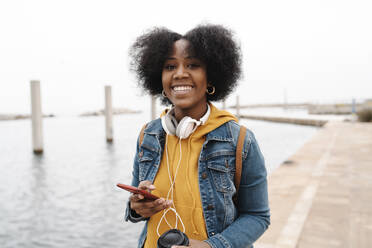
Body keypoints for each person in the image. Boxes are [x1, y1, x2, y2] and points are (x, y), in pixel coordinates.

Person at [125, 24, 270, 248]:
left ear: (210, 77)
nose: (180, 73)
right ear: (159, 77)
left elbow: (258, 216)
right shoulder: (148, 135)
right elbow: (137, 206)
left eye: (193, 65)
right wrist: (137, 207)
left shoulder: (240, 140)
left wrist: (212, 246)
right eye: (170, 66)